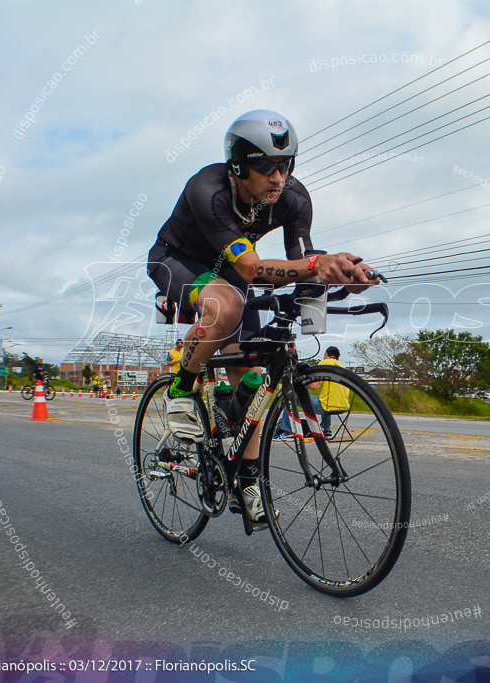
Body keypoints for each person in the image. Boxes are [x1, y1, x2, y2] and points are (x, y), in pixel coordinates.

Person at [147, 109, 379, 525]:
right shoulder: (209, 189)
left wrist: (343, 275)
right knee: (228, 304)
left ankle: (247, 477)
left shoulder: (293, 197)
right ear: (237, 165)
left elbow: (303, 260)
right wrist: (315, 267)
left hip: (231, 271)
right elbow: (254, 270)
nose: (277, 177)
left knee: (254, 372)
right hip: (177, 261)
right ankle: (182, 388)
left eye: (285, 165)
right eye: (265, 166)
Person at [272, 346, 349, 440]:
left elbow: (314, 386)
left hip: (326, 406)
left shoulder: (324, 363)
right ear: (338, 357)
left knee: (292, 396)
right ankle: (326, 429)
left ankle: (287, 430)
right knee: (326, 398)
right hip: (343, 406)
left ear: (326, 354)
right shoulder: (343, 368)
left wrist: (303, 381)